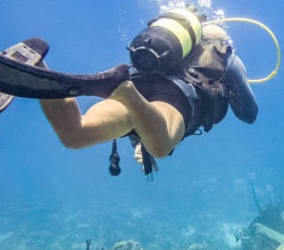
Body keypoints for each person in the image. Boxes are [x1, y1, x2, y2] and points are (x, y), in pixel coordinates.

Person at [39, 21, 258, 172]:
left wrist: (139, 142)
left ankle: (38, 66)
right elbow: (249, 114)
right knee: (161, 146)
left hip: (138, 81)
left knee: (75, 134)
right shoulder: (228, 56)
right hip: (178, 95)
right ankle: (127, 93)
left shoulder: (176, 49)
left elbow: (145, 118)